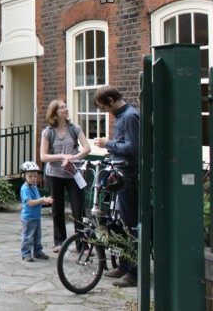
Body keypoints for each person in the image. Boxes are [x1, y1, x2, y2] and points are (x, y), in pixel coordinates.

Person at [93, 85, 140, 288]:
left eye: (104, 108)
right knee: (120, 224)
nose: (106, 112)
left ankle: (134, 272)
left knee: (130, 225)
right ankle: (124, 265)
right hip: (119, 175)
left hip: (129, 177)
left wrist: (108, 144)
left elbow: (133, 148)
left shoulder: (129, 117)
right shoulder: (122, 117)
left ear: (111, 101)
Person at [39, 99, 91, 253]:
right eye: (62, 107)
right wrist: (62, 156)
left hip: (74, 174)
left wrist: (73, 158)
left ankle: (83, 244)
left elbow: (86, 148)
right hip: (54, 174)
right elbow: (43, 156)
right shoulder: (48, 132)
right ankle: (60, 242)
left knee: (79, 209)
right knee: (57, 208)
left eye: (66, 106)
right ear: (55, 112)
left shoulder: (74, 128)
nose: (66, 109)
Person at [19, 161, 53, 262]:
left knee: (37, 236)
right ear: (24, 176)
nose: (33, 178)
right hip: (29, 217)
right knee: (28, 237)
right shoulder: (25, 189)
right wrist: (42, 200)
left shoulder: (34, 187)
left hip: (36, 217)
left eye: (35, 176)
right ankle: (26, 254)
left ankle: (38, 252)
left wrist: (45, 200)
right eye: (30, 176)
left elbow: (37, 200)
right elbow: (30, 203)